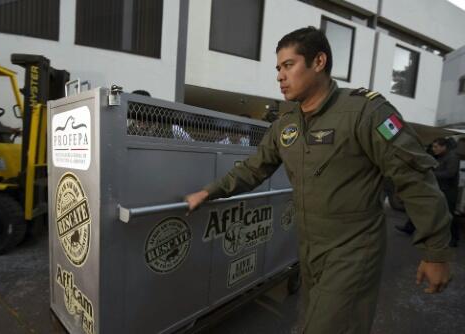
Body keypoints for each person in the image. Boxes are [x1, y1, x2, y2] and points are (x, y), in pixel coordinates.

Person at [185, 27, 452, 334]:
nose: (280, 76)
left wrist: (436, 252)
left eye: (288, 65)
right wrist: (209, 191)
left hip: (353, 253)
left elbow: (415, 178)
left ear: (319, 61)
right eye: (278, 68)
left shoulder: (365, 112)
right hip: (310, 252)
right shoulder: (286, 125)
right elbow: (253, 168)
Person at [396, 137, 460, 247]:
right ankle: (409, 227)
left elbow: (450, 173)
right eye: (433, 146)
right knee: (420, 207)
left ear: (443, 147)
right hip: (437, 188)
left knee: (449, 214)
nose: (434, 149)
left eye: (436, 147)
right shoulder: (439, 156)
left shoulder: (452, 157)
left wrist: (431, 175)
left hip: (448, 190)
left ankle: (454, 239)